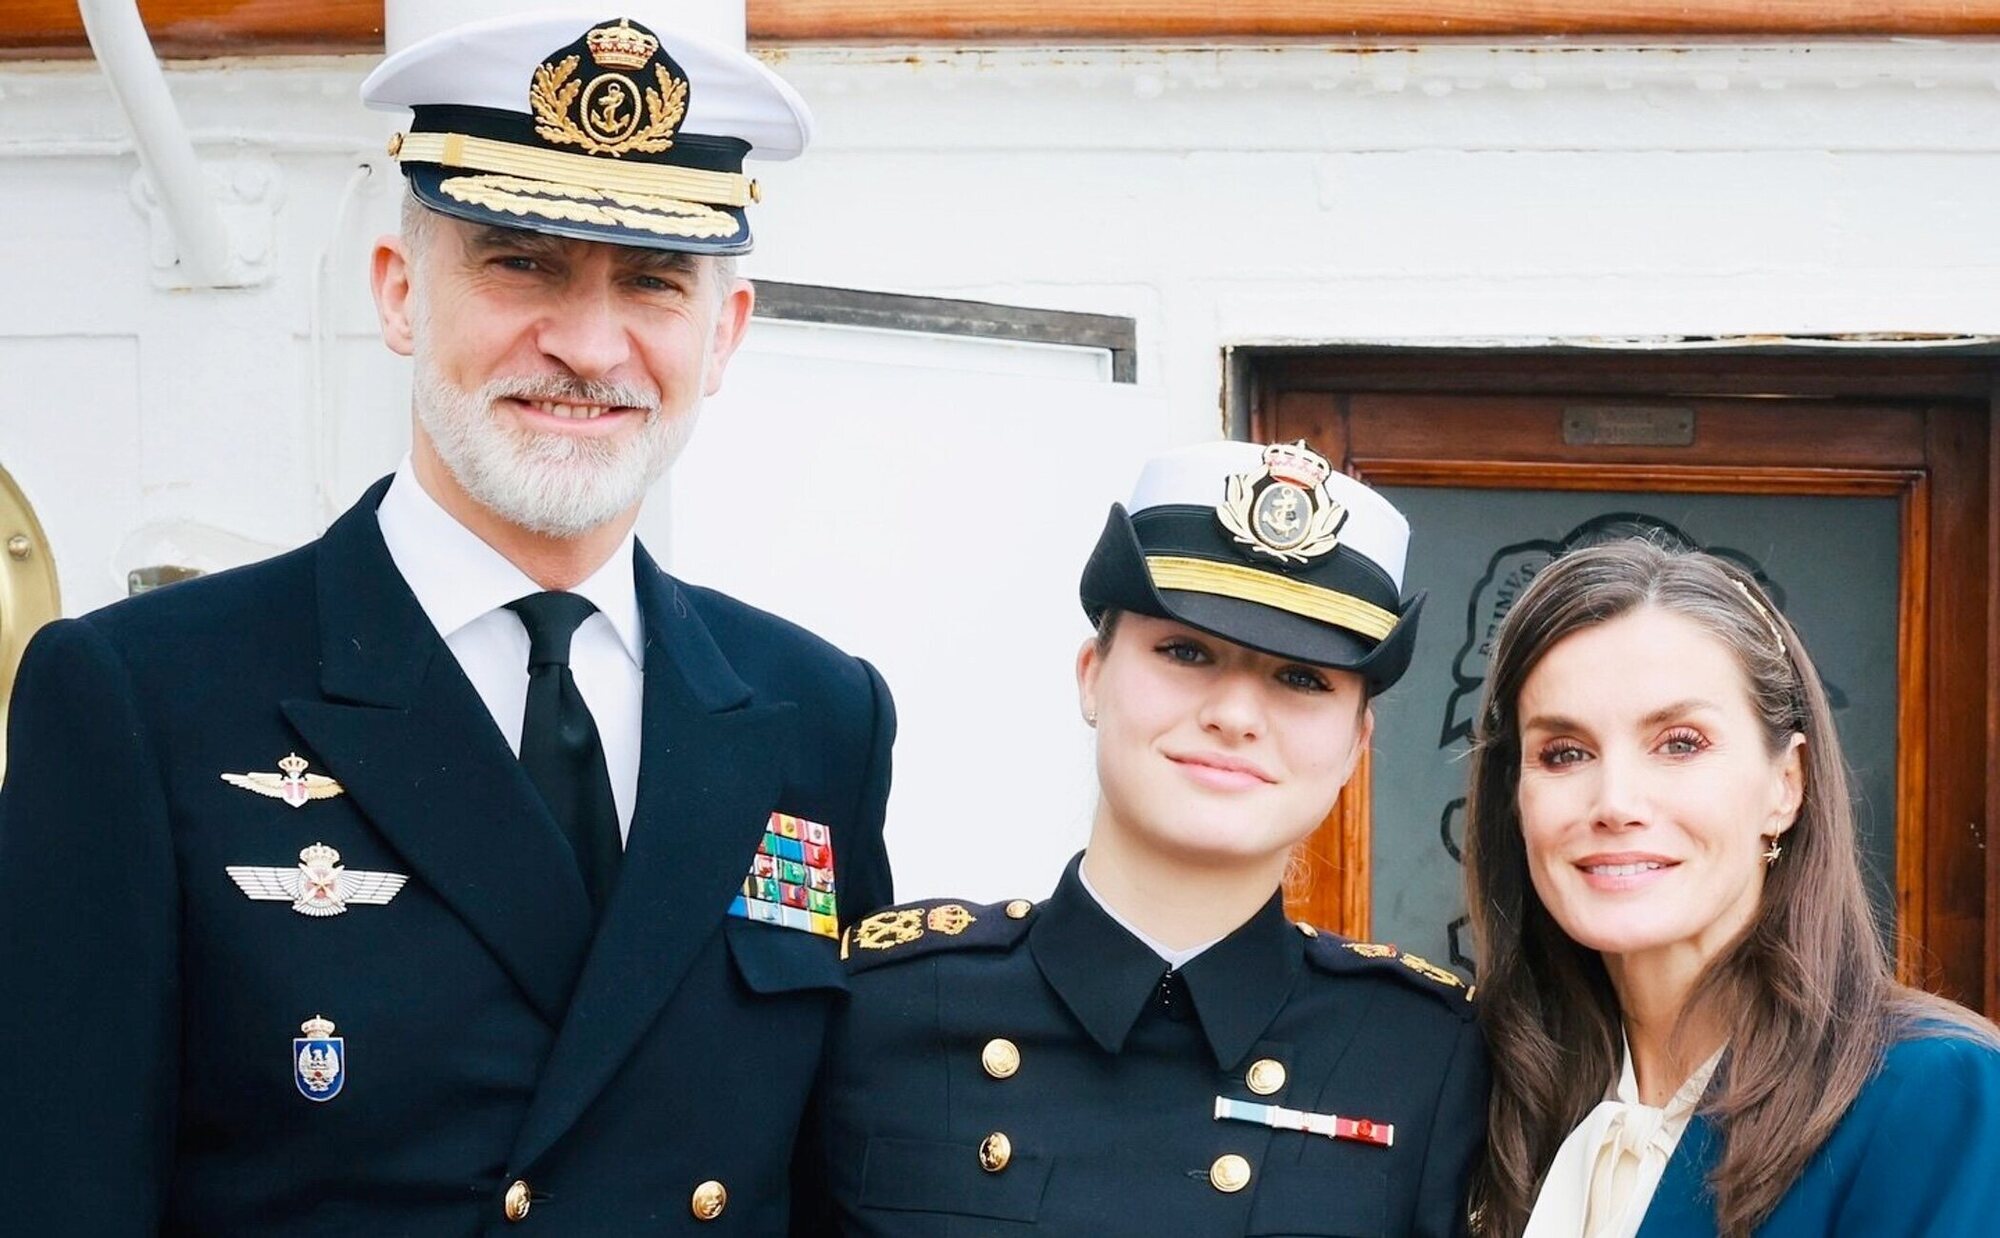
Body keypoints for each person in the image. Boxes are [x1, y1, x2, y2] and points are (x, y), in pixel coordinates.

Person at [0, 10, 893, 1234]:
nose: (587, 344)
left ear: (722, 335)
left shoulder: (817, 715)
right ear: (400, 289)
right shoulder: (140, 698)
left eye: (652, 281)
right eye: (520, 261)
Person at [806, 440, 1489, 1236]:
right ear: (1092, 674)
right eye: (1185, 651)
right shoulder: (878, 1007)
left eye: (1302, 679)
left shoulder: (1428, 1056)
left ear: (1356, 745)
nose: (1234, 715)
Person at [1460, 539, 2000, 1237]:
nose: (1615, 801)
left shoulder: (1937, 1093)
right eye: (1565, 753)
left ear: (1786, 786)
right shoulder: (1493, 1095)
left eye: (1680, 742)